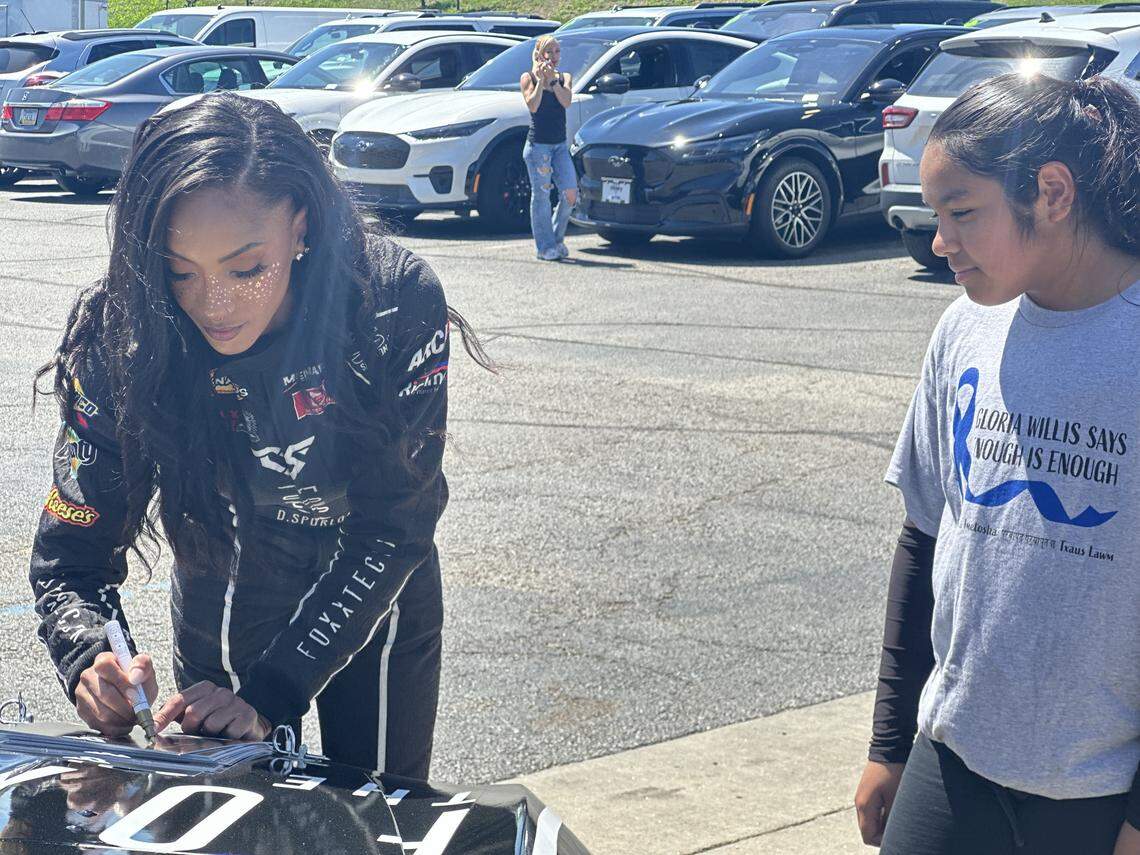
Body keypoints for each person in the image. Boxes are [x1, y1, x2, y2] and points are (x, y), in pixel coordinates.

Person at [29, 92, 490, 779]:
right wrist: (91, 656)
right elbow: (68, 553)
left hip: (375, 581)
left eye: (247, 268)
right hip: (224, 582)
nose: (214, 304)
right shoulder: (123, 331)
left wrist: (273, 694)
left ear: (301, 226)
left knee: (378, 821)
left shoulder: (393, 298)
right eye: (180, 272)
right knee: (228, 825)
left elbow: (397, 525)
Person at [854, 74, 1140, 855]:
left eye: (962, 213)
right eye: (936, 215)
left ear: (1052, 192)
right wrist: (889, 742)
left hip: (1097, 789)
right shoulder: (961, 332)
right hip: (951, 761)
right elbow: (923, 535)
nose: (940, 240)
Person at [520, 34, 577, 262]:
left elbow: (566, 101)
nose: (554, 57)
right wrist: (541, 81)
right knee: (542, 196)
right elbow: (533, 106)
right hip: (538, 147)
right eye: (549, 52)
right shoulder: (528, 78)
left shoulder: (564, 77)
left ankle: (555, 237)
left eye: (557, 52)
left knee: (570, 193)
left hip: (559, 145)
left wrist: (553, 81)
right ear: (539, 54)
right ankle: (545, 246)